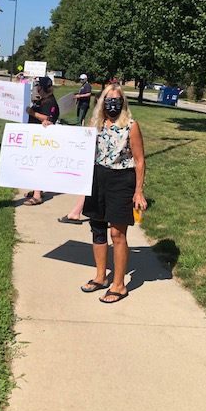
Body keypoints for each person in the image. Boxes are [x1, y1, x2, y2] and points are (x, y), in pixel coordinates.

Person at [80, 83, 147, 303]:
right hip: (97, 178)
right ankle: (101, 277)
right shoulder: (95, 124)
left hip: (121, 180)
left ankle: (119, 285)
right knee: (97, 228)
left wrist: (138, 191)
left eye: (117, 99)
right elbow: (76, 146)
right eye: (108, 99)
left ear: (123, 102)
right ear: (101, 102)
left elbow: (139, 160)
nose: (112, 103)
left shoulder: (131, 125)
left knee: (117, 234)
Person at [23, 76, 60, 205]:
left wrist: (31, 113)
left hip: (42, 139)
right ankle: (36, 190)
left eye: (39, 85)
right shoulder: (43, 100)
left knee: (37, 165)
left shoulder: (50, 102)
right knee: (34, 164)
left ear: (43, 87)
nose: (37, 88)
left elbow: (49, 118)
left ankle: (37, 196)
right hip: (35, 137)